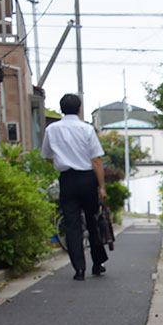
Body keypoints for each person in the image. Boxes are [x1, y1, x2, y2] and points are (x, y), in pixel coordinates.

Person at [41, 93, 108, 280]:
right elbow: (96, 159)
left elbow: (47, 155)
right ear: (79, 109)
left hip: (67, 179)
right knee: (93, 220)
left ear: (61, 109)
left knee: (72, 225)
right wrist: (101, 186)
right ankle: (97, 262)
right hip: (87, 178)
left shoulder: (52, 130)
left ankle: (79, 268)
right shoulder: (86, 129)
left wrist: (63, 159)